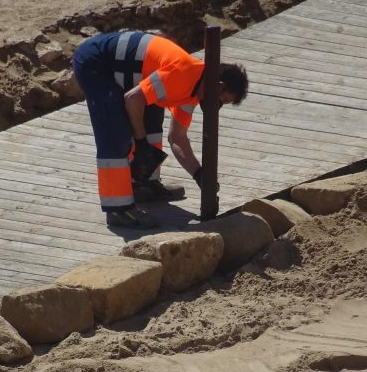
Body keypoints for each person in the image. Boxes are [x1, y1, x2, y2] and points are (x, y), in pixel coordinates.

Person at [72, 30, 249, 229]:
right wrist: (139, 141)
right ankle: (117, 209)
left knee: (152, 120)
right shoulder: (183, 74)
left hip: (128, 74)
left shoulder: (195, 90)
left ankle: (144, 184)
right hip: (96, 62)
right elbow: (133, 99)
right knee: (116, 133)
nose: (217, 106)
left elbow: (177, 137)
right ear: (218, 86)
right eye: (222, 100)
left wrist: (198, 173)